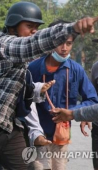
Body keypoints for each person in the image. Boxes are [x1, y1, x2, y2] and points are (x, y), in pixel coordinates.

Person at [0, 1, 98, 169]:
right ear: (12, 27)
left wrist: (38, 89)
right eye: (29, 26)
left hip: (8, 127)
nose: (33, 31)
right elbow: (34, 44)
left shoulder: (29, 62)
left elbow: (22, 91)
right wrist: (72, 28)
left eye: (36, 27)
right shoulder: (5, 45)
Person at [27, 19, 98, 170]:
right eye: (60, 43)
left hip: (62, 136)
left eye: (69, 43)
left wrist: (75, 113)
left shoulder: (76, 70)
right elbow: (23, 100)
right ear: (49, 42)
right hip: (38, 135)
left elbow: (92, 99)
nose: (64, 48)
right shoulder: (33, 68)